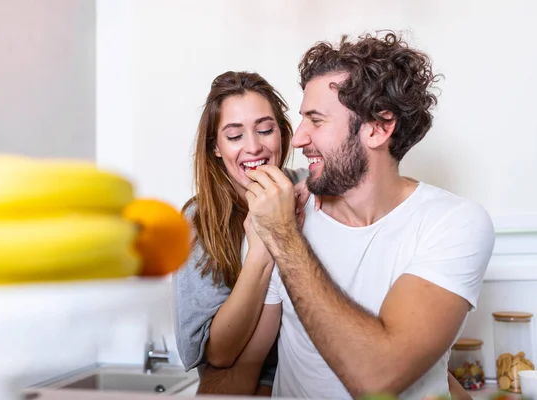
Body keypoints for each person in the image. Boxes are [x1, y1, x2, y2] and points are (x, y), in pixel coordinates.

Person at [236, 31, 495, 399]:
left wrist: (283, 238)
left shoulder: (452, 223)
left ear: (378, 127)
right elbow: (241, 368)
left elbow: (378, 378)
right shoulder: (286, 213)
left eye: (316, 120)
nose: (297, 139)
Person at [172, 70, 308, 396]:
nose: (254, 147)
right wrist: (261, 247)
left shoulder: (310, 192)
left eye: (265, 129)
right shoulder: (198, 221)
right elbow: (218, 353)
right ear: (215, 147)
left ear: (283, 133)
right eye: (234, 136)